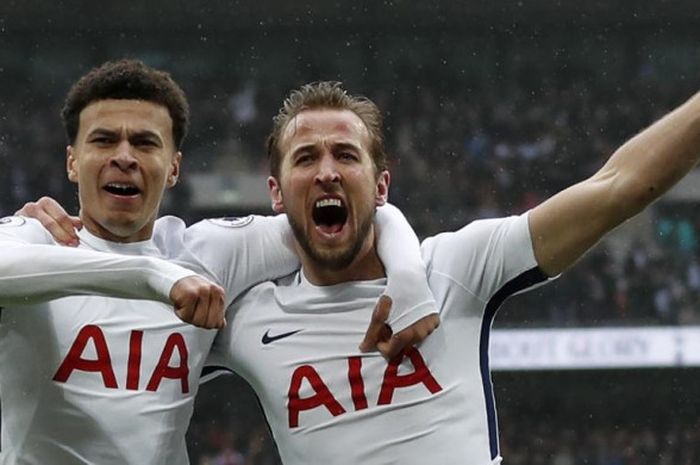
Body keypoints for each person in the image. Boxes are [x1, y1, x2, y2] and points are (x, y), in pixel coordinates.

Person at [189, 81, 699, 464]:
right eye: (306, 158)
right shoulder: (247, 320)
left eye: (346, 155)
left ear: (382, 185)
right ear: (276, 192)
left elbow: (621, 186)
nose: (327, 171)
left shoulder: (456, 268)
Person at [1, 61, 438, 465]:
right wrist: (155, 279)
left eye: (145, 142)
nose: (124, 156)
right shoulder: (34, 237)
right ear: (72, 161)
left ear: (173, 168)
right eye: (103, 140)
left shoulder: (210, 253)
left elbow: (363, 214)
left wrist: (407, 276)